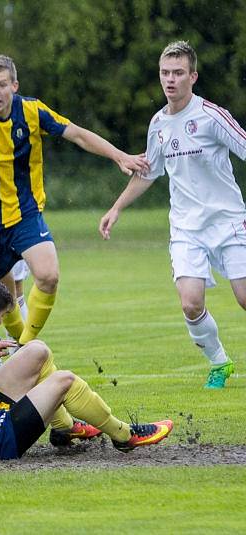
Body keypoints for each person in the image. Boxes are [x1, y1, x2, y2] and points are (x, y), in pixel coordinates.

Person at [0, 54, 150, 345]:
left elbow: (77, 134)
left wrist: (119, 155)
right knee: (6, 298)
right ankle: (21, 351)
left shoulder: (33, 111)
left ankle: (26, 345)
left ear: (14, 85)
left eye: (2, 85)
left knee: (48, 276)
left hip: (25, 213)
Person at [100, 41, 244, 389]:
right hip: (186, 229)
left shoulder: (212, 116)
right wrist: (116, 208)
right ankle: (219, 363)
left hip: (229, 222)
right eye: (165, 72)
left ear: (192, 76)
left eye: (178, 73)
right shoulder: (158, 124)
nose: (170, 79)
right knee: (191, 304)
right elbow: (148, 172)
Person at [0, 274, 174, 470]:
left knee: (36, 350)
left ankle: (65, 427)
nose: (0, 323)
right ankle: (125, 436)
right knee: (64, 380)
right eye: (0, 317)